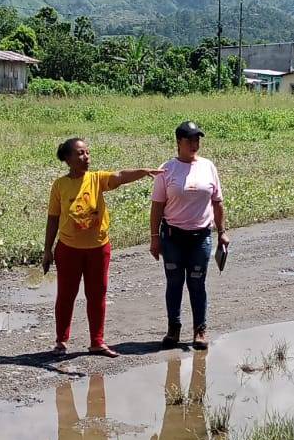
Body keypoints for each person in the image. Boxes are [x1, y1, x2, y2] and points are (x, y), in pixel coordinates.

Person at [42, 137, 158, 357]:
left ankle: (97, 342)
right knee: (66, 295)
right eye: (80, 153)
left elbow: (119, 176)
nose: (86, 157)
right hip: (68, 249)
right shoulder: (60, 185)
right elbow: (53, 218)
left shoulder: (97, 179)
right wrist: (47, 250)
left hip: (98, 248)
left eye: (87, 152)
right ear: (67, 159)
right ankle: (61, 341)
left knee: (97, 295)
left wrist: (143, 172)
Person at [150, 121, 229, 351]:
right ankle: (173, 329)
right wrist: (154, 237)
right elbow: (157, 206)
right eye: (190, 140)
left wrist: (222, 232)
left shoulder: (208, 166)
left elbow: (217, 202)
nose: (195, 144)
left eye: (197, 140)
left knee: (197, 283)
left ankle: (200, 330)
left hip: (200, 238)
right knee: (174, 283)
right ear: (178, 142)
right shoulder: (167, 169)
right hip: (172, 237)